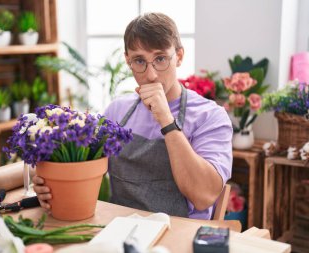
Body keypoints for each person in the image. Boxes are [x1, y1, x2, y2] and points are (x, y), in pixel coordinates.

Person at [33, 12, 232, 220]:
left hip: (181, 235)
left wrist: (167, 120)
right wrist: (49, 182)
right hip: (120, 229)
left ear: (179, 56)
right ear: (128, 61)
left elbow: (204, 196)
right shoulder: (116, 111)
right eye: (139, 61)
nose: (151, 75)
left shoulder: (210, 116)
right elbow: (80, 167)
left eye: (161, 58)